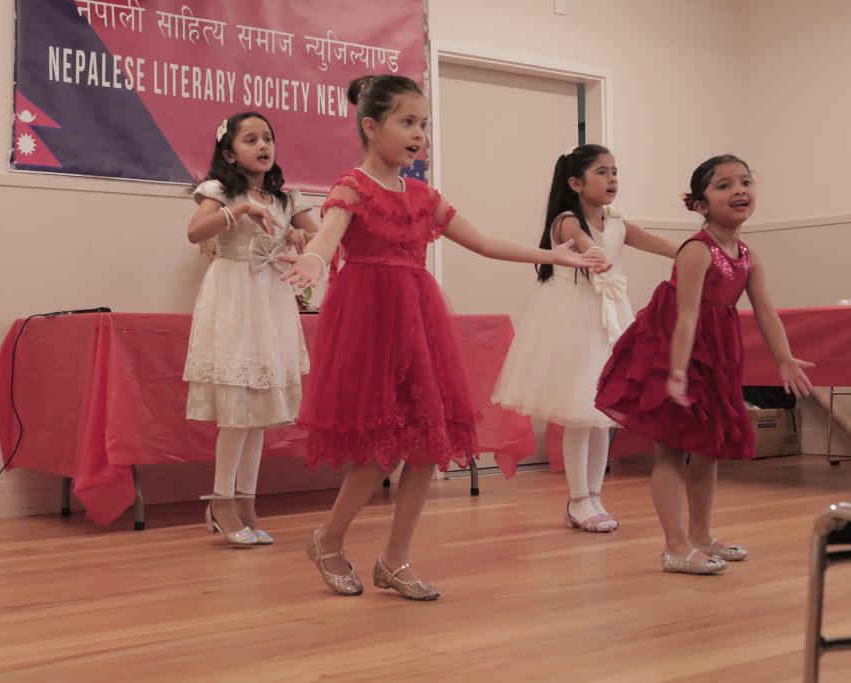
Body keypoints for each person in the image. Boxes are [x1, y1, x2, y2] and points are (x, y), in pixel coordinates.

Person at [279, 74, 609, 599]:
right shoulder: (351, 186)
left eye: (424, 124)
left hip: (418, 323)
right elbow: (328, 235)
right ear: (372, 126)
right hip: (369, 327)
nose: (419, 134)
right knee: (380, 449)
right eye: (407, 122)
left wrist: (556, 255)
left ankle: (395, 560)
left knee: (428, 443)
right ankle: (328, 539)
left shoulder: (423, 195)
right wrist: (315, 260)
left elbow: (484, 242)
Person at [596, 154, 814, 573]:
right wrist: (677, 370)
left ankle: (700, 534)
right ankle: (675, 546)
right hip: (674, 348)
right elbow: (686, 316)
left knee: (707, 448)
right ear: (700, 205)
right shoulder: (697, 250)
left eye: (745, 182)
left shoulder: (747, 254)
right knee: (672, 449)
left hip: (716, 352)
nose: (739, 190)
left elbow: (765, 312)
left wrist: (784, 359)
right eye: (724, 185)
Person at [493, 144, 678, 533]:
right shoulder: (566, 221)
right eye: (602, 172)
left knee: (603, 415)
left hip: (610, 318)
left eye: (615, 172)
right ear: (576, 183)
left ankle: (594, 496)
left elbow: (661, 245)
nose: (612, 179)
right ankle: (578, 498)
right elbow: (584, 243)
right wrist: (597, 254)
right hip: (575, 320)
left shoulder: (618, 222)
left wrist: (698, 253)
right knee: (580, 411)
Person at [184, 112, 318, 545]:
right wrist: (239, 209)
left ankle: (246, 500)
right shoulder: (220, 190)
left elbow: (320, 240)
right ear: (229, 154)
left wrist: (299, 239)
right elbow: (195, 232)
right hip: (234, 296)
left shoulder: (287, 198)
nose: (263, 145)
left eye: (268, 138)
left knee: (259, 411)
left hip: (270, 299)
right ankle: (221, 499)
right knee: (237, 407)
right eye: (251, 139)